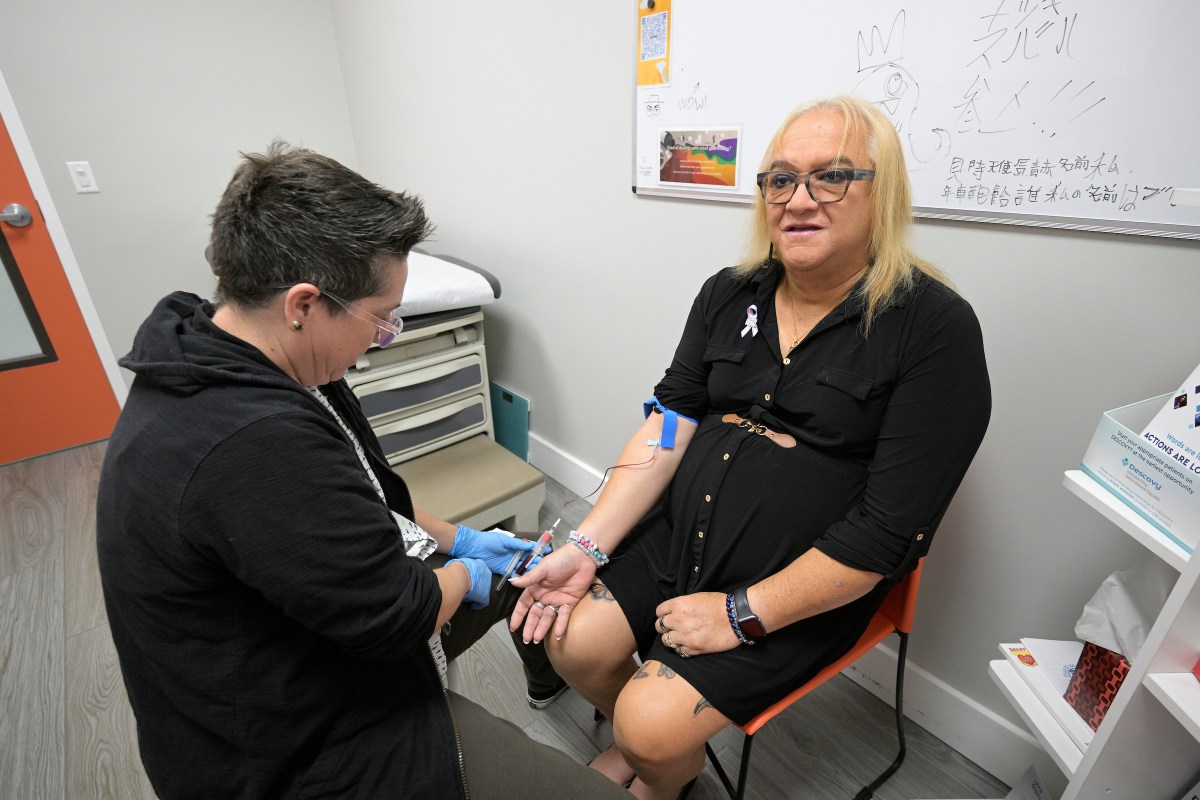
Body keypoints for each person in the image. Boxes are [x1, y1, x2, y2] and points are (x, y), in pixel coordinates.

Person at [96, 142, 628, 800]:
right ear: (303, 304)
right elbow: (397, 617)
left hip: (312, 636)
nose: (388, 335)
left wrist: (458, 538)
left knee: (523, 571)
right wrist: (469, 570)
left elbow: (364, 501)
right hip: (287, 745)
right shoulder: (249, 443)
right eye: (380, 318)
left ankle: (546, 677)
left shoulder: (242, 350)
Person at [510, 95, 992, 800]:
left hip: (799, 579)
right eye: (779, 180)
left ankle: (656, 768)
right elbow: (671, 422)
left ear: (881, 195)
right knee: (571, 641)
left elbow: (887, 532)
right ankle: (653, 750)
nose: (799, 200)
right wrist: (585, 548)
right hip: (683, 530)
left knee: (648, 722)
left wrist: (742, 613)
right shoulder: (730, 294)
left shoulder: (932, 328)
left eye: (831, 177)